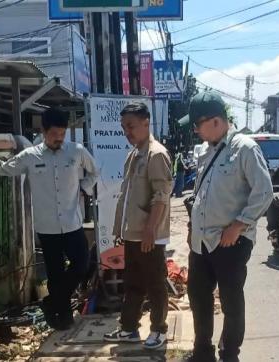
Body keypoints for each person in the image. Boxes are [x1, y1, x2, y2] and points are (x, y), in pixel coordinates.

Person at [0, 108, 99, 330]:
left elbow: (94, 172)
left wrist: (84, 189)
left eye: (62, 134)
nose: (59, 139)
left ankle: (50, 302)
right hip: (47, 228)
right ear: (43, 131)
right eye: (55, 134)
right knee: (55, 274)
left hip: (72, 222)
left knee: (81, 264)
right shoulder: (30, 156)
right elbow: (4, 168)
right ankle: (63, 318)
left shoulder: (76, 151)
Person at [184, 91, 273, 362]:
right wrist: (192, 228)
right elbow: (202, 194)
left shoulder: (244, 148)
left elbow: (264, 192)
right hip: (201, 240)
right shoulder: (205, 150)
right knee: (198, 297)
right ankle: (203, 352)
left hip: (230, 241)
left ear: (214, 121)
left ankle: (229, 353)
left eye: (196, 125)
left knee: (231, 300)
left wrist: (239, 225)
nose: (195, 131)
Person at [103, 102, 173, 350]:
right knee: (133, 283)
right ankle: (129, 328)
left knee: (155, 283)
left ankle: (159, 330)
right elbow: (128, 196)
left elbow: (161, 196)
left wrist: (151, 230)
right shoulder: (134, 155)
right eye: (124, 127)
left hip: (149, 235)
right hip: (133, 233)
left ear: (146, 123)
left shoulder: (156, 154)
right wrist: (119, 231)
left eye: (131, 126)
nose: (127, 132)